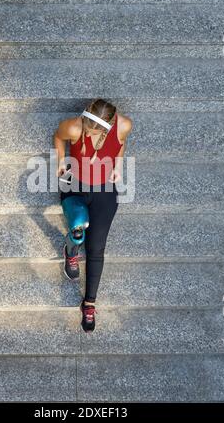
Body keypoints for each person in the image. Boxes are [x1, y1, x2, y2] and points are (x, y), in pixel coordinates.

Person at [53, 98, 133, 332]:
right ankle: (71, 250)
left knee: (97, 247)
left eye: (94, 127)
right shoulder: (75, 126)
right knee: (78, 227)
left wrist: (118, 166)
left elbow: (121, 143)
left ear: (107, 125)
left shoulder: (124, 125)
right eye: (87, 123)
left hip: (104, 191)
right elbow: (58, 137)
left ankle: (89, 303)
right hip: (74, 185)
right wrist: (60, 162)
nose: (88, 129)